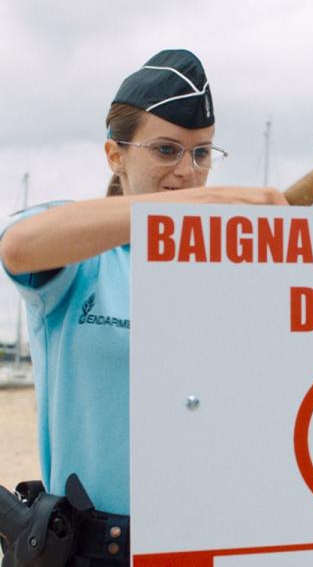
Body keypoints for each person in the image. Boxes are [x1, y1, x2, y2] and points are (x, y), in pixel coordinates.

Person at [0, 49, 287, 564]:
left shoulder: (228, 266)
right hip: (97, 549)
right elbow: (19, 244)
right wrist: (202, 205)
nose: (187, 171)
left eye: (202, 154)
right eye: (166, 150)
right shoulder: (84, 260)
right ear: (115, 154)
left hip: (213, 541)